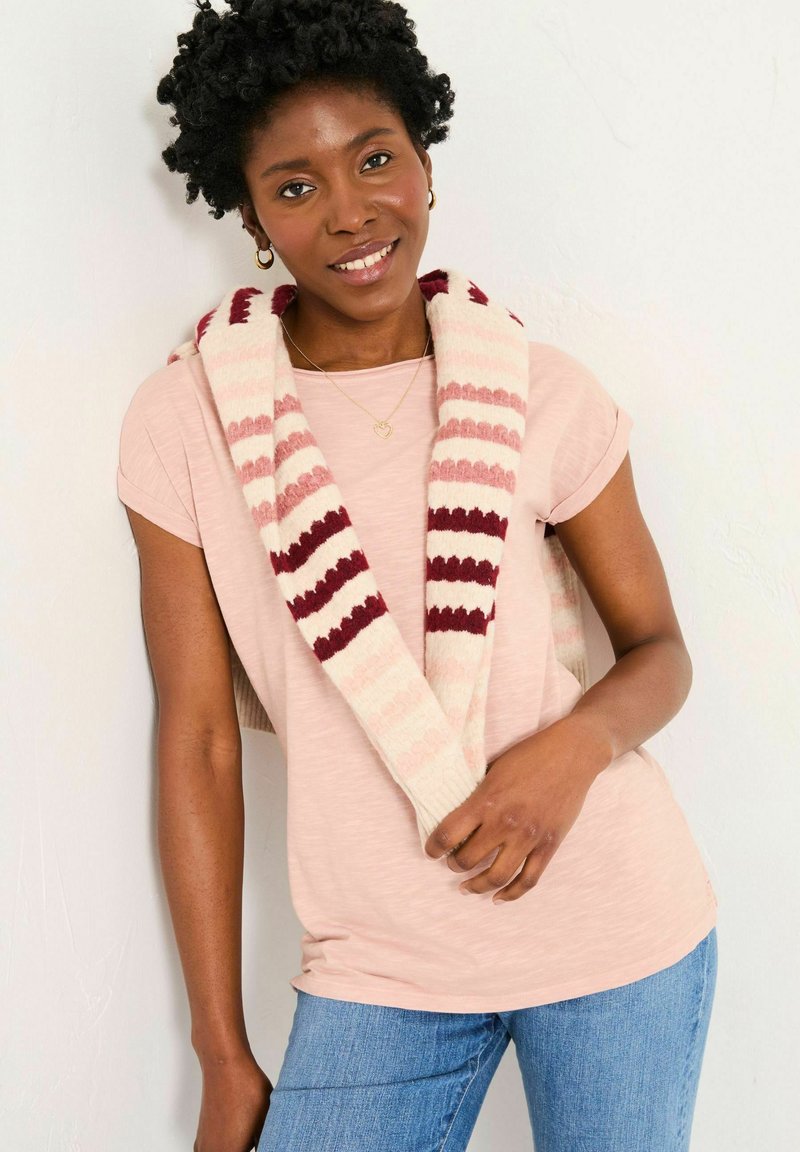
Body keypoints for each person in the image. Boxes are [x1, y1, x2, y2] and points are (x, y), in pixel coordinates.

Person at [116, 2, 719, 1149]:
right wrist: (222, 1050)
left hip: (616, 931)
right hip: (377, 963)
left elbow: (659, 653)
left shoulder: (543, 389)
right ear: (251, 218)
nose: (350, 213)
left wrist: (568, 755)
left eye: (374, 159)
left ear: (424, 167)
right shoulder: (188, 418)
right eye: (294, 187)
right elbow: (195, 740)